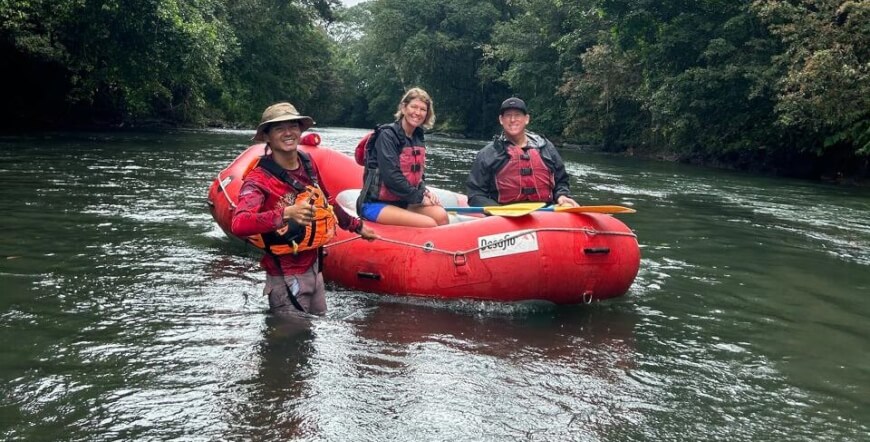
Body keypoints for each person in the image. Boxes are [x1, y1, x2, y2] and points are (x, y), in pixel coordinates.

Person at [231, 102, 378, 316]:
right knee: (288, 341)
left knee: (312, 335)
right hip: (285, 276)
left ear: (301, 130)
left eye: (293, 126)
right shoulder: (258, 180)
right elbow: (239, 223)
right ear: (267, 137)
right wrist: (285, 214)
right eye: (279, 128)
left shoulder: (307, 162)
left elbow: (326, 200)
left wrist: (356, 226)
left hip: (315, 268)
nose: (288, 133)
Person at [357, 87, 449, 227]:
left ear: (427, 114)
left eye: (423, 109)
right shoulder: (387, 136)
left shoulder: (418, 137)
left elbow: (417, 175)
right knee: (429, 223)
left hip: (404, 201)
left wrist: (424, 190)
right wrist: (420, 198)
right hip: (376, 204)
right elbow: (391, 177)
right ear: (404, 108)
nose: (417, 113)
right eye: (414, 107)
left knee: (441, 216)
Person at [466, 97, 580, 208]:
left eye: (517, 115)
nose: (512, 120)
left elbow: (561, 181)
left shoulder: (546, 148)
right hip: (504, 214)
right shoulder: (487, 154)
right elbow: (475, 194)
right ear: (501, 120)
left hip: (544, 213)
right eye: (508, 116)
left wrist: (562, 195)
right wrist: (496, 211)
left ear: (526, 119)